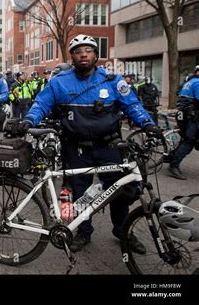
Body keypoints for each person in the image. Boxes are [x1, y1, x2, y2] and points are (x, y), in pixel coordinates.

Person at [17, 34, 161, 253]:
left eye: (88, 50)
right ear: (72, 57)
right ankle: (84, 232)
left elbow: (132, 105)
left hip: (109, 146)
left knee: (119, 189)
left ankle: (122, 230)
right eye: (78, 51)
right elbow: (41, 104)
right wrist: (29, 120)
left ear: (96, 55)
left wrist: (148, 124)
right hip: (76, 148)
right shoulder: (59, 82)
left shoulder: (113, 80)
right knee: (80, 193)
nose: (83, 54)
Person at [168, 65, 199, 180]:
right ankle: (174, 165)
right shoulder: (197, 83)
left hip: (183, 115)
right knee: (189, 141)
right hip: (191, 116)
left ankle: (172, 157)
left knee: (186, 139)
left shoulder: (189, 82)